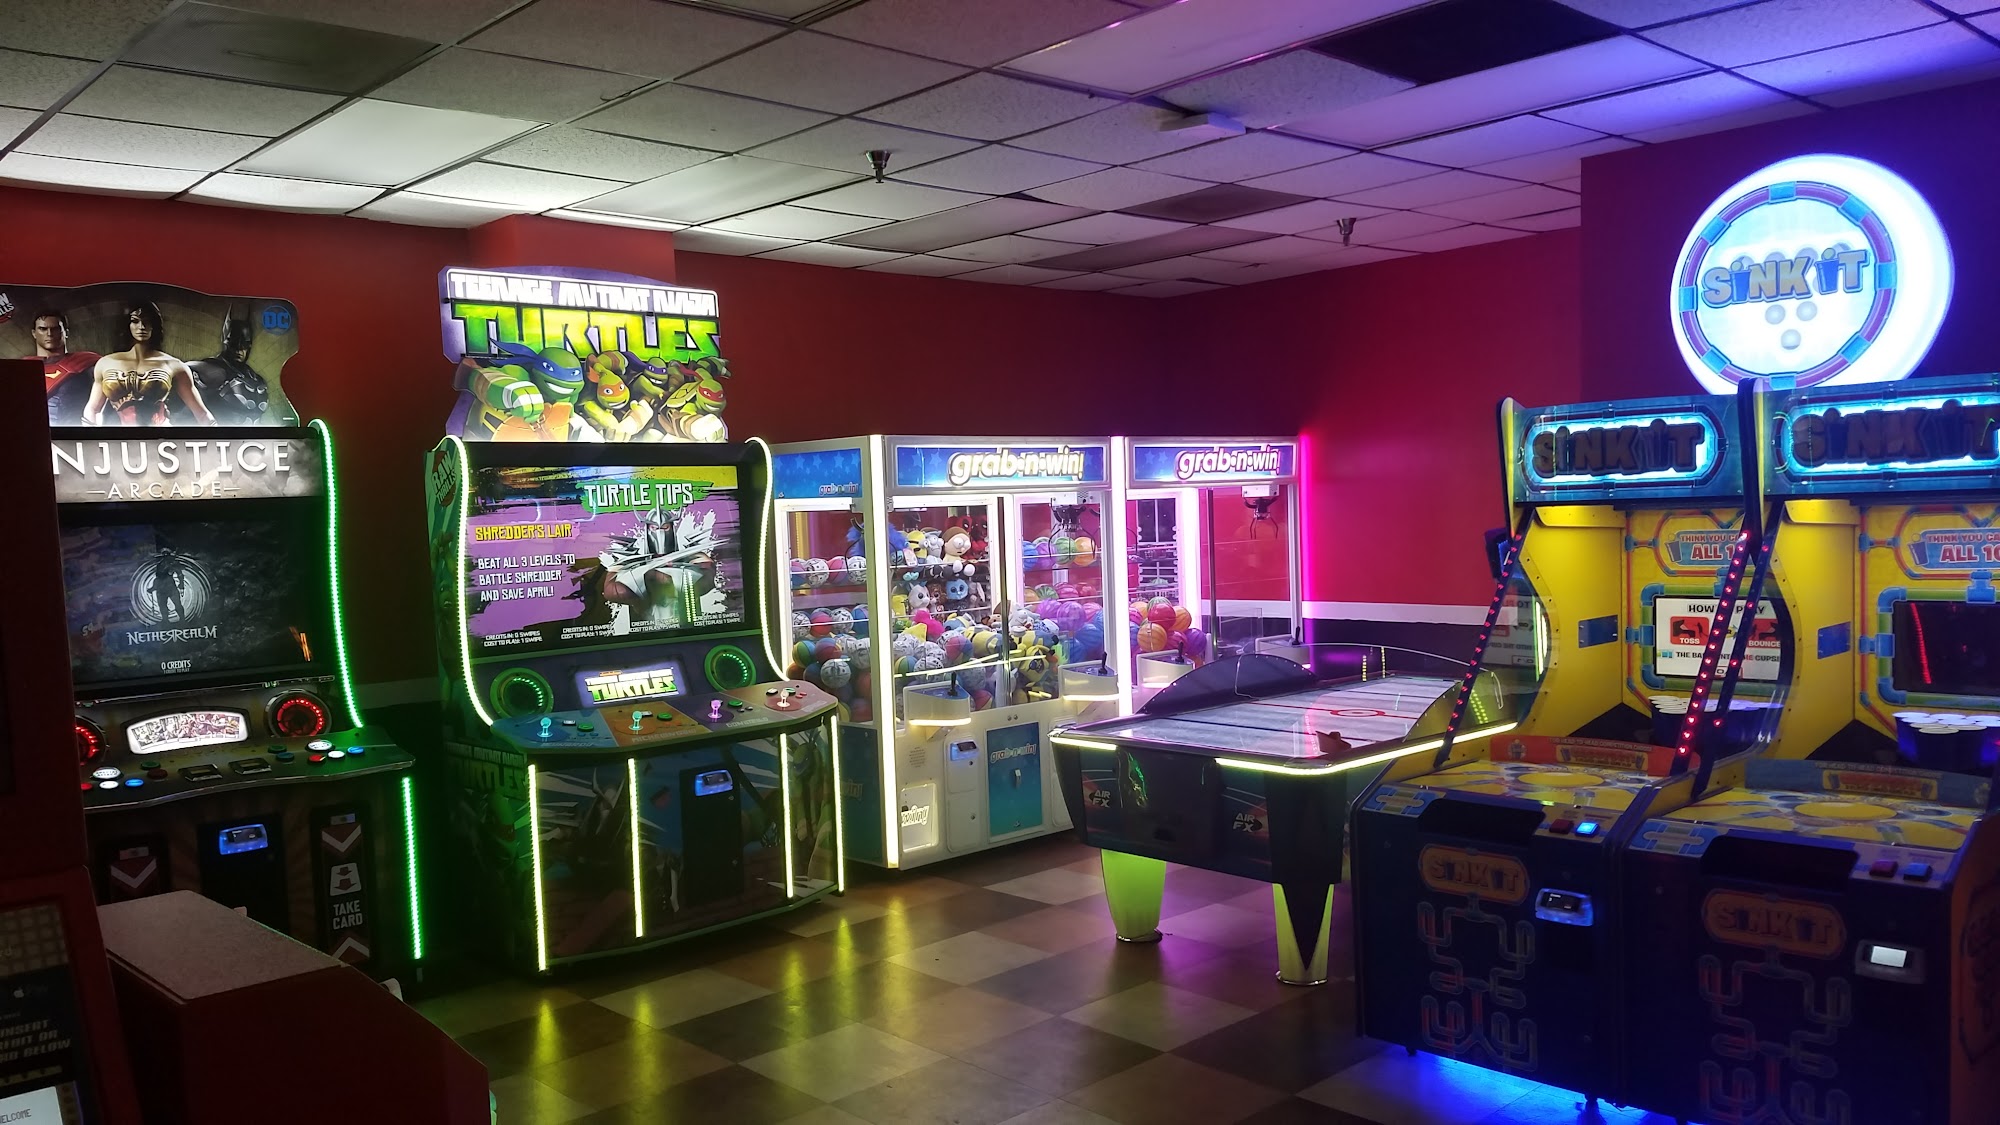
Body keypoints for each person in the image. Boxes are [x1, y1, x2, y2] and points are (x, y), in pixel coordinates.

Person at [84, 301, 214, 426]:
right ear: (127, 324)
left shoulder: (174, 365)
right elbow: (93, 409)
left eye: (147, 321)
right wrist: (89, 437)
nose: (142, 327)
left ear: (154, 325)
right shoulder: (106, 363)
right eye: (135, 321)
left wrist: (218, 435)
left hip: (160, 434)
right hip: (118, 436)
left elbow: (202, 414)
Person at [184, 304, 271, 424]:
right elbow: (181, 368)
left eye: (244, 344)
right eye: (234, 343)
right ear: (225, 341)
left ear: (249, 345)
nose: (239, 349)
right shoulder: (212, 369)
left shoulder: (256, 379)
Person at [23, 308, 98, 424]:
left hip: (78, 430)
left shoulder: (88, 362)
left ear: (65, 332)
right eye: (43, 329)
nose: (49, 334)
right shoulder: (22, 368)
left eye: (55, 329)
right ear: (34, 333)